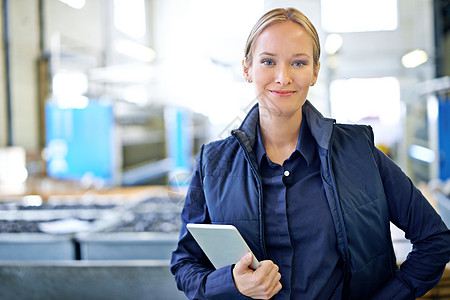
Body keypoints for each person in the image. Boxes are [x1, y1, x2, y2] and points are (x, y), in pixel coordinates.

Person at [170, 7, 450, 300]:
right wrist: (233, 283)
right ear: (246, 69)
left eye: (298, 63)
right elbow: (185, 265)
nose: (283, 77)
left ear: (315, 71)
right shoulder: (213, 164)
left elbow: (434, 240)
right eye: (268, 61)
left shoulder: (358, 151)